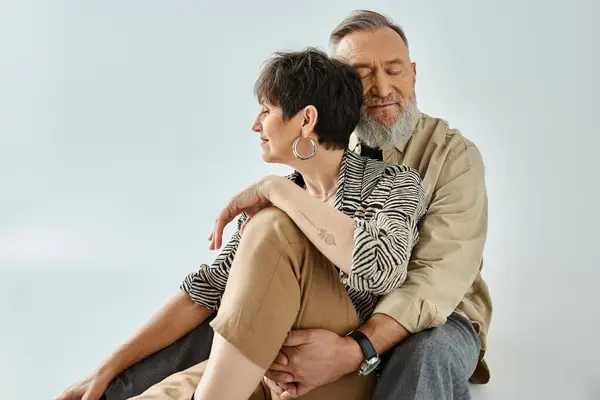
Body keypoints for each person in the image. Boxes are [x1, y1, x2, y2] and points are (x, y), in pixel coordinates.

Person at [58, 9, 492, 400]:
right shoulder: (330, 159)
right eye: (362, 74)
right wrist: (108, 369)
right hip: (307, 323)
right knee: (214, 328)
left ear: (413, 74)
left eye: (395, 70)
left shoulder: (442, 161)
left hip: (438, 313)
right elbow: (211, 289)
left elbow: (427, 280)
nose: (381, 87)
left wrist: (351, 350)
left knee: (424, 353)